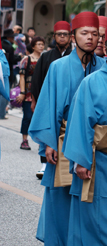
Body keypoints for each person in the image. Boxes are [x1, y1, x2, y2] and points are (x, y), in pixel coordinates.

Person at [29, 11, 105, 245]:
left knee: (90, 197)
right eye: (84, 33)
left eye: (94, 34)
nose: (90, 38)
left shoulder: (104, 66)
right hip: (62, 140)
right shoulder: (58, 66)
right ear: (74, 37)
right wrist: (48, 143)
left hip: (95, 143)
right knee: (60, 195)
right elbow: (48, 105)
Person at [63, 21, 107, 246]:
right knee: (92, 214)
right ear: (106, 48)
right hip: (95, 161)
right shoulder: (90, 82)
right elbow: (80, 123)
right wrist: (81, 161)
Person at [31, 21, 73, 179]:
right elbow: (37, 79)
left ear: (70, 37)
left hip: (68, 104)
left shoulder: (75, 56)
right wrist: (35, 101)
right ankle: (43, 163)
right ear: (54, 37)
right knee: (46, 129)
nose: (62, 37)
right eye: (59, 34)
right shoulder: (46, 56)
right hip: (49, 101)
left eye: (65, 34)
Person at [18, 36, 45, 151]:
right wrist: (23, 92)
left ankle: (41, 142)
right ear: (33, 46)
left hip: (41, 93)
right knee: (27, 117)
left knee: (40, 118)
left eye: (42, 44)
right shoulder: (26, 59)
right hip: (28, 93)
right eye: (38, 44)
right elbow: (22, 76)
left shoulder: (45, 59)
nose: (41, 46)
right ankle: (24, 139)